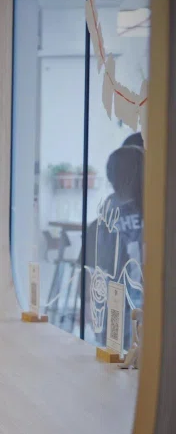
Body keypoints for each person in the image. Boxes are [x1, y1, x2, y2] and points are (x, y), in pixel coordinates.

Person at [82, 143, 145, 349]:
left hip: (113, 308)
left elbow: (90, 269)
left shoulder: (102, 221)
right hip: (141, 308)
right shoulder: (153, 214)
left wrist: (89, 305)